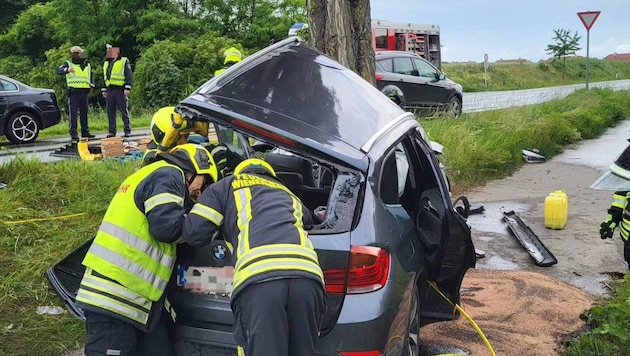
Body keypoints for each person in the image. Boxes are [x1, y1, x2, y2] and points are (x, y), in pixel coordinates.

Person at [76, 143, 218, 356]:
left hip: (136, 303)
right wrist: (205, 222)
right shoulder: (169, 174)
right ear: (195, 167)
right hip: (113, 300)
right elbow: (166, 227)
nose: (199, 193)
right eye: (203, 183)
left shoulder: (150, 174)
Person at [182, 158, 326, 356]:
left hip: (260, 279)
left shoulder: (225, 186)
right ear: (270, 176)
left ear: (240, 172)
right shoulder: (287, 193)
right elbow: (315, 221)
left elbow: (194, 232)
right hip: (307, 277)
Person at [57, 46, 95, 141]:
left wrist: (92, 86)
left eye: (78, 52)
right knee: (73, 114)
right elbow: (59, 71)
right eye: (75, 52)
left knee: (84, 113)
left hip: (84, 92)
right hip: (74, 92)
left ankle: (85, 132)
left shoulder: (87, 64)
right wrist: (67, 70)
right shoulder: (69, 63)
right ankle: (74, 134)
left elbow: (91, 76)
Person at [102, 44, 133, 138]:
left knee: (123, 110)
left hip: (120, 89)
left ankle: (127, 130)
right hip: (110, 90)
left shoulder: (124, 61)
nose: (107, 52)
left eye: (109, 51)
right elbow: (104, 77)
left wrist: (127, 87)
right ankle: (112, 131)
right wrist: (104, 89)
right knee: (110, 111)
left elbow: (129, 75)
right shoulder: (106, 63)